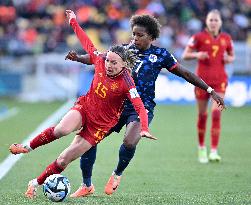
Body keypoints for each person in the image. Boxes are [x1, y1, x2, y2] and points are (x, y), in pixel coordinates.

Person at [65, 14, 226, 197]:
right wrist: (78, 58)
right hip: (115, 105)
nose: (135, 39)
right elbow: (98, 59)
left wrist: (210, 90)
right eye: (133, 34)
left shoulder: (161, 55)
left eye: (139, 35)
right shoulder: (124, 50)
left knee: (130, 140)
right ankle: (87, 184)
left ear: (151, 37)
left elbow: (185, 73)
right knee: (88, 138)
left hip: (142, 106)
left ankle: (117, 174)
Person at [8, 10, 155, 199]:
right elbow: (86, 41)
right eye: (108, 60)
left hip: (100, 126)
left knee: (64, 158)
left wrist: (143, 127)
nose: (108, 65)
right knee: (62, 129)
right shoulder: (100, 60)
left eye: (114, 63)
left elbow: (140, 107)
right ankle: (27, 147)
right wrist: (73, 22)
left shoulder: (127, 82)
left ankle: (35, 183)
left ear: (124, 65)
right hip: (85, 107)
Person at [182, 9, 234, 163]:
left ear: (220, 22)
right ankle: (201, 148)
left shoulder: (226, 38)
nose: (213, 22)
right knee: (203, 115)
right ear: (206, 21)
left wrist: (229, 58)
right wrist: (197, 55)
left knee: (217, 114)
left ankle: (214, 151)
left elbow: (232, 55)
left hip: (220, 81)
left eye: (216, 20)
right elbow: (185, 54)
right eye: (210, 20)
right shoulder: (198, 37)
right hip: (201, 82)